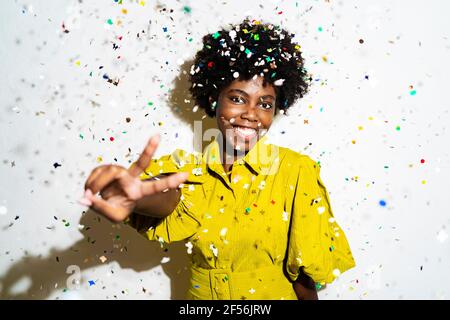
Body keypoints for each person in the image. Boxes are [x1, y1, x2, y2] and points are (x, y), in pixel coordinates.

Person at [80, 19, 355, 300]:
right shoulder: (188, 169)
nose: (251, 113)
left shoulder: (295, 170)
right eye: (237, 99)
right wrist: (130, 195)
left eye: (265, 104)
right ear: (214, 99)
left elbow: (306, 282)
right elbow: (167, 192)